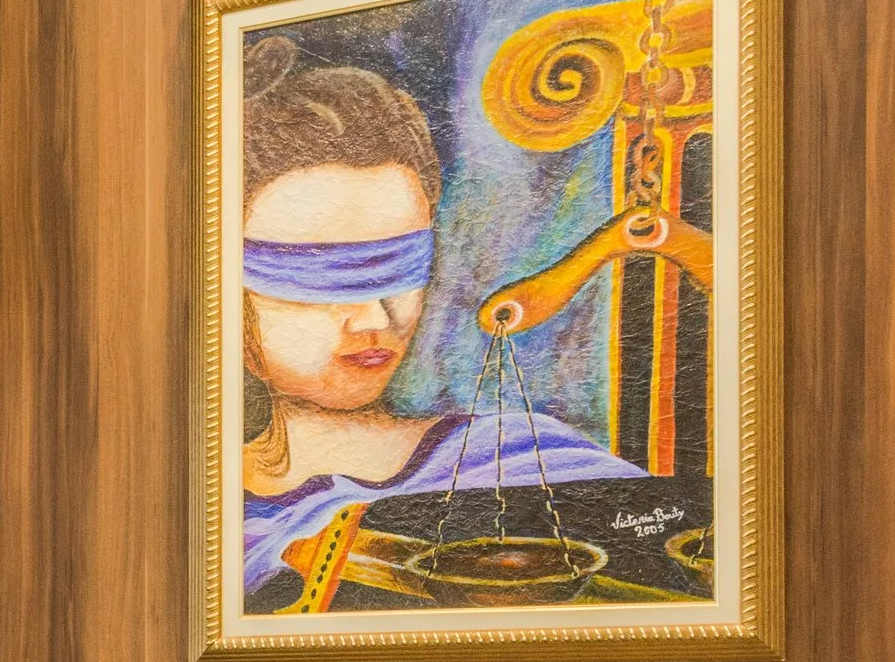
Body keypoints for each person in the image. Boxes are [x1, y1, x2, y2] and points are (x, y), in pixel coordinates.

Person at [238, 36, 638, 604]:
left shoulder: (526, 460)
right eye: (324, 278)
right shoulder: (199, 512)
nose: (374, 319)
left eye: (401, 268)